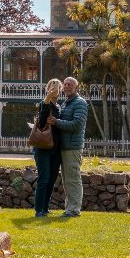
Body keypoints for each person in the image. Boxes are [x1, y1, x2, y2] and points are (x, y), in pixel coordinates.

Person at [47, 76, 88, 217]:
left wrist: (56, 122)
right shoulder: (65, 103)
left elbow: (76, 125)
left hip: (73, 147)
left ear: (76, 87)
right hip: (64, 146)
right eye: (65, 84)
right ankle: (69, 208)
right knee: (67, 180)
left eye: (70, 84)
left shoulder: (80, 103)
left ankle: (74, 210)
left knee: (73, 179)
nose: (66, 86)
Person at [32, 78, 62, 217]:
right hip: (43, 148)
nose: (54, 88)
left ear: (60, 90)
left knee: (51, 179)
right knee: (43, 178)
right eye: (51, 86)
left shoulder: (58, 108)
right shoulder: (43, 104)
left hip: (55, 149)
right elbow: (42, 120)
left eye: (57, 86)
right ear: (47, 89)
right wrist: (46, 99)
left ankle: (45, 207)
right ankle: (38, 210)